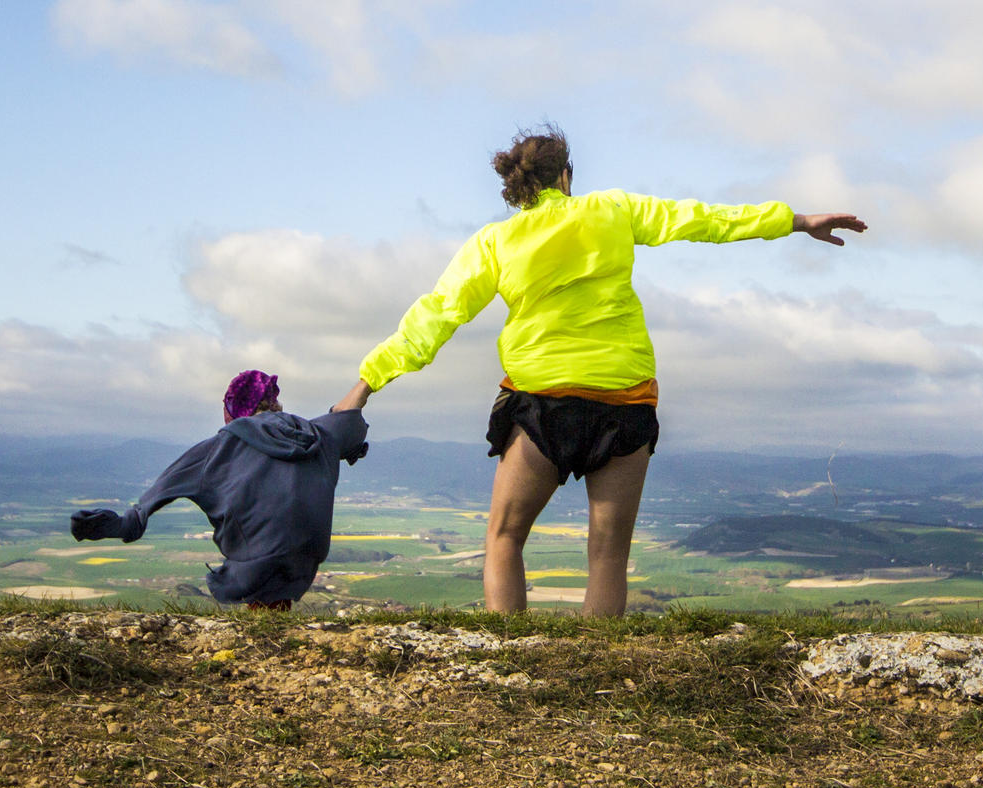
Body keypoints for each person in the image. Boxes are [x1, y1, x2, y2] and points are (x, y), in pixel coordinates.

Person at [332, 124, 865, 616]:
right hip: (625, 400)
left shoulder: (495, 242)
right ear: (566, 175)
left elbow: (435, 316)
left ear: (518, 186)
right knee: (608, 556)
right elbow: (702, 219)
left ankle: (506, 669)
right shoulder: (613, 209)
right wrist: (795, 221)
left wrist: (365, 386)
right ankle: (595, 681)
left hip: (544, 402)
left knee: (504, 537)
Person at [72, 370, 369, 611]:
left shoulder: (216, 449)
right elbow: (346, 413)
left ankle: (265, 634)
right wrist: (370, 377)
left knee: (259, 570)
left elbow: (164, 487)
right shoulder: (313, 433)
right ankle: (272, 623)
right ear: (275, 402)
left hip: (255, 557)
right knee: (276, 585)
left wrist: (127, 523)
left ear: (234, 412)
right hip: (307, 549)